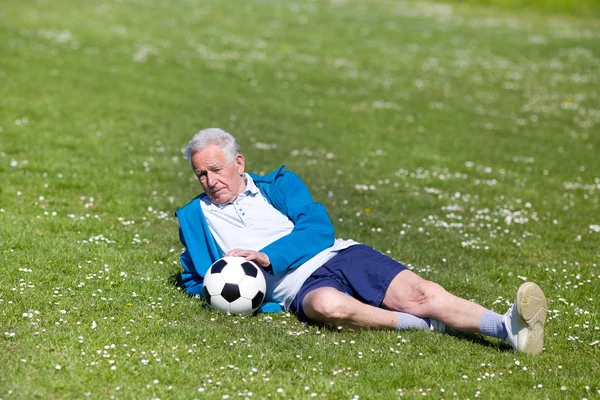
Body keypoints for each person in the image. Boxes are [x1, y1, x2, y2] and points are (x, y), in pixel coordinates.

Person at [175, 128, 548, 354]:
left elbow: (319, 228)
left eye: (216, 169)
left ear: (238, 163)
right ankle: (422, 325)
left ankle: (507, 328)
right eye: (201, 175)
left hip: (338, 255)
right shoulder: (194, 217)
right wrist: (255, 302)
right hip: (300, 289)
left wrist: (267, 256)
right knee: (331, 307)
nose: (210, 181)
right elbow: (197, 281)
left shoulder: (279, 184)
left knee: (422, 293)